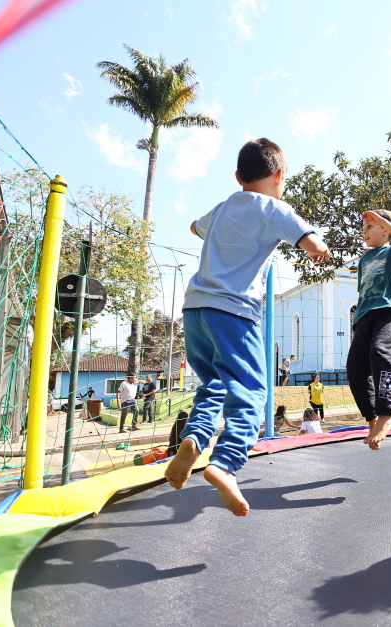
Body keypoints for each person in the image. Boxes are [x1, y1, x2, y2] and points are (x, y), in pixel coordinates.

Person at [163, 138, 330, 517]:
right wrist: (317, 249)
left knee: (213, 386)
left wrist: (200, 226)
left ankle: (193, 439)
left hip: (195, 311)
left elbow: (195, 226)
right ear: (279, 175)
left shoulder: (223, 208)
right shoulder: (274, 207)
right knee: (252, 391)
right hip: (234, 313)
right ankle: (225, 462)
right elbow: (309, 240)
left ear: (238, 177)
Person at [346, 208, 391, 451]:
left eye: (369, 227)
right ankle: (371, 417)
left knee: (380, 352)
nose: (364, 232)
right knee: (354, 368)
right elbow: (363, 292)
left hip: (387, 312)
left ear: (385, 230)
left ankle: (386, 413)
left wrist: (385, 221)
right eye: (362, 228)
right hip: (364, 316)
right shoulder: (364, 259)